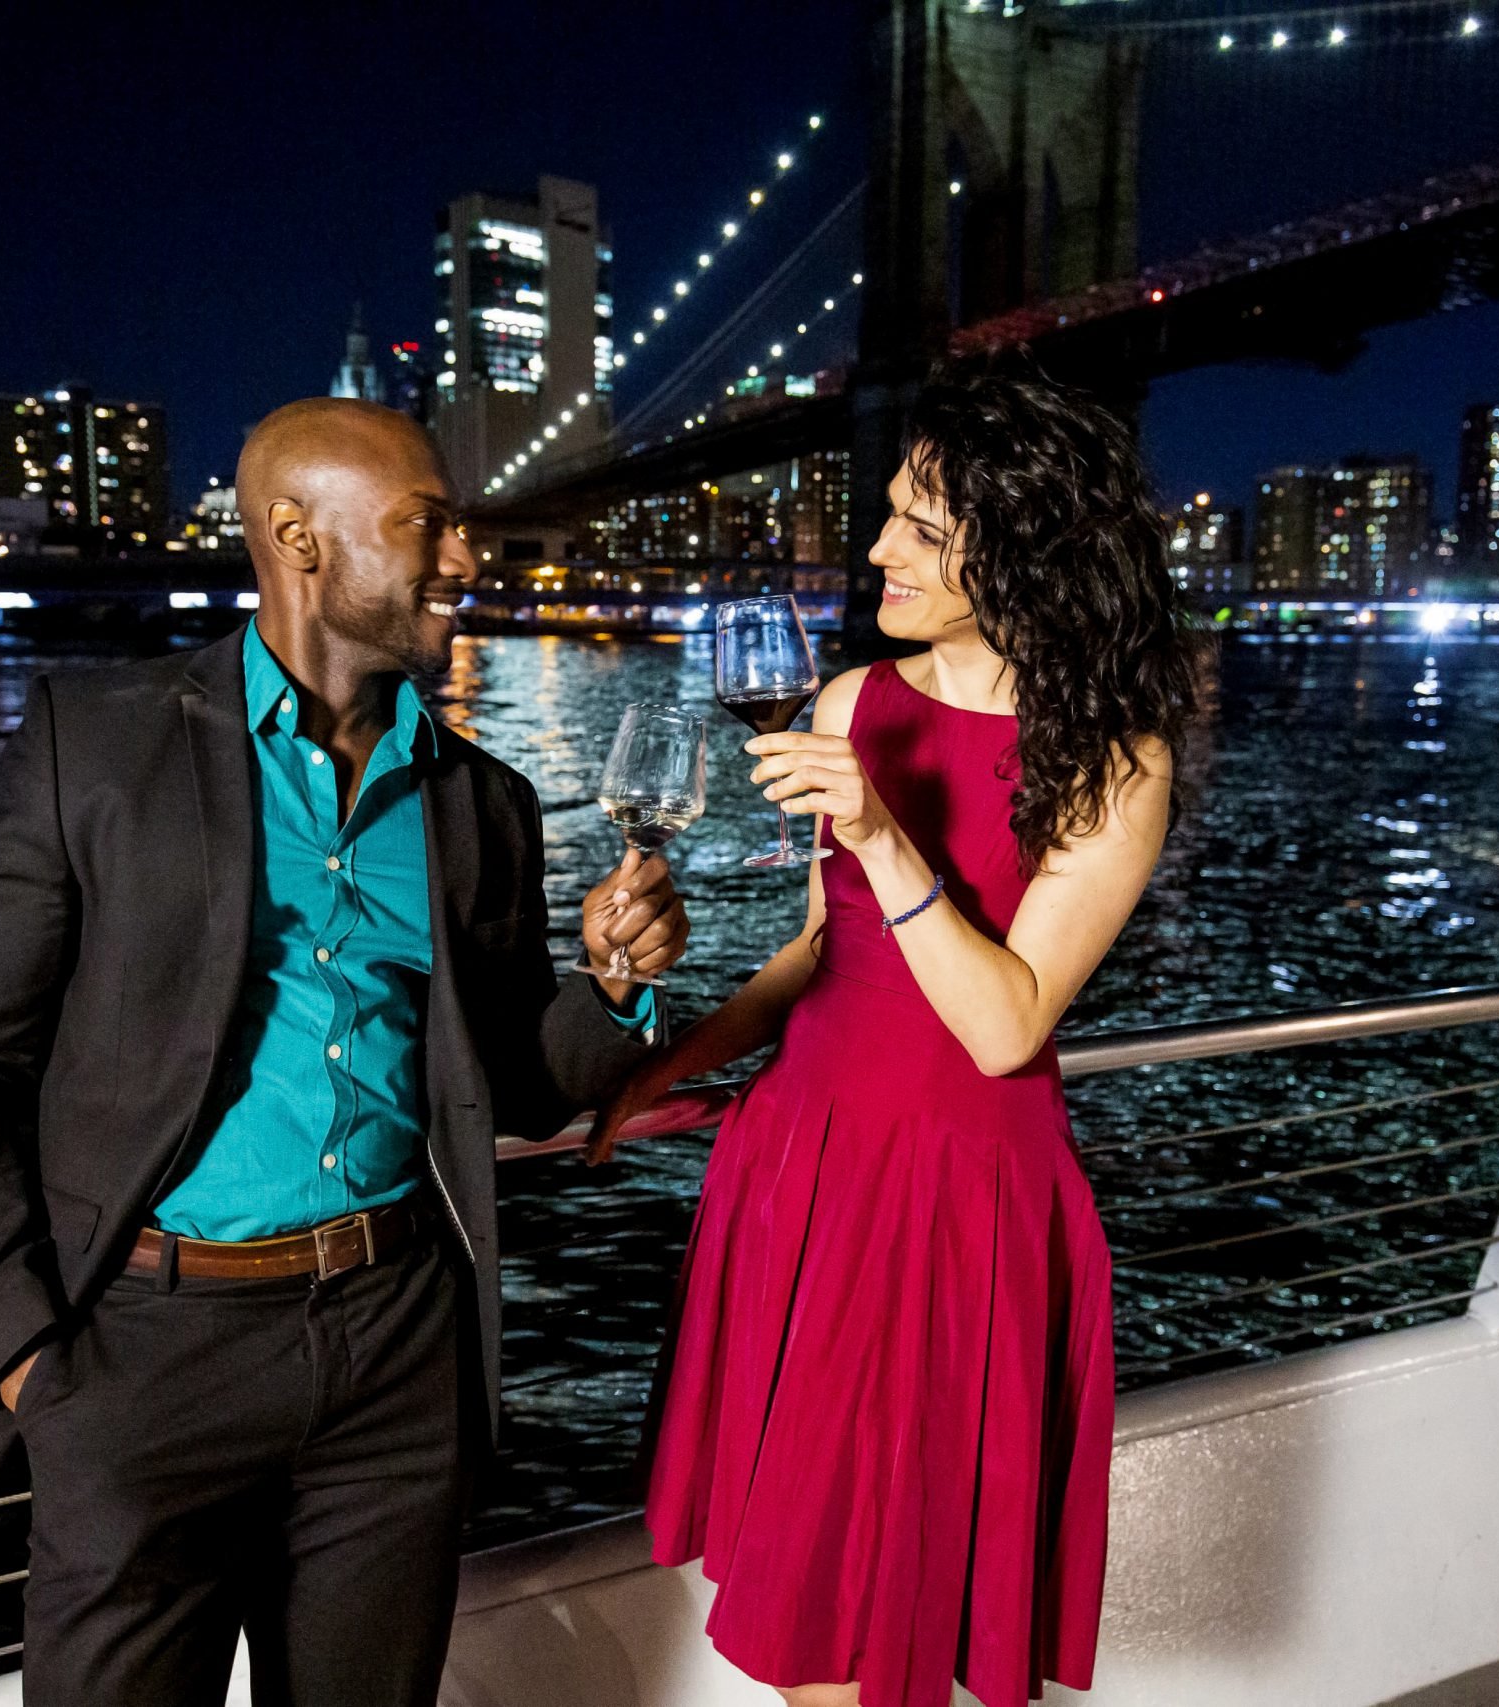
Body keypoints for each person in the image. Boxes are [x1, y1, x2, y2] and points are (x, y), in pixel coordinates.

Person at [0, 397, 687, 1706]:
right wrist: (33, 1360)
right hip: (145, 1356)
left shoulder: (483, 803)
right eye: (429, 524)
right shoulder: (95, 749)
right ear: (298, 539)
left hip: (394, 1350)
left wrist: (616, 987)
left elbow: (527, 1082)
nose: (470, 560)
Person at [589, 368, 1207, 1707]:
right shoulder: (850, 701)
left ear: (1022, 541)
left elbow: (1007, 1024)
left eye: (922, 526)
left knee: (879, 1639)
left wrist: (883, 831)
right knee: (808, 1602)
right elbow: (821, 951)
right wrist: (653, 1071)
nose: (877, 548)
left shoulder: (1116, 757)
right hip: (800, 1171)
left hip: (953, 1198)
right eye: (888, 516)